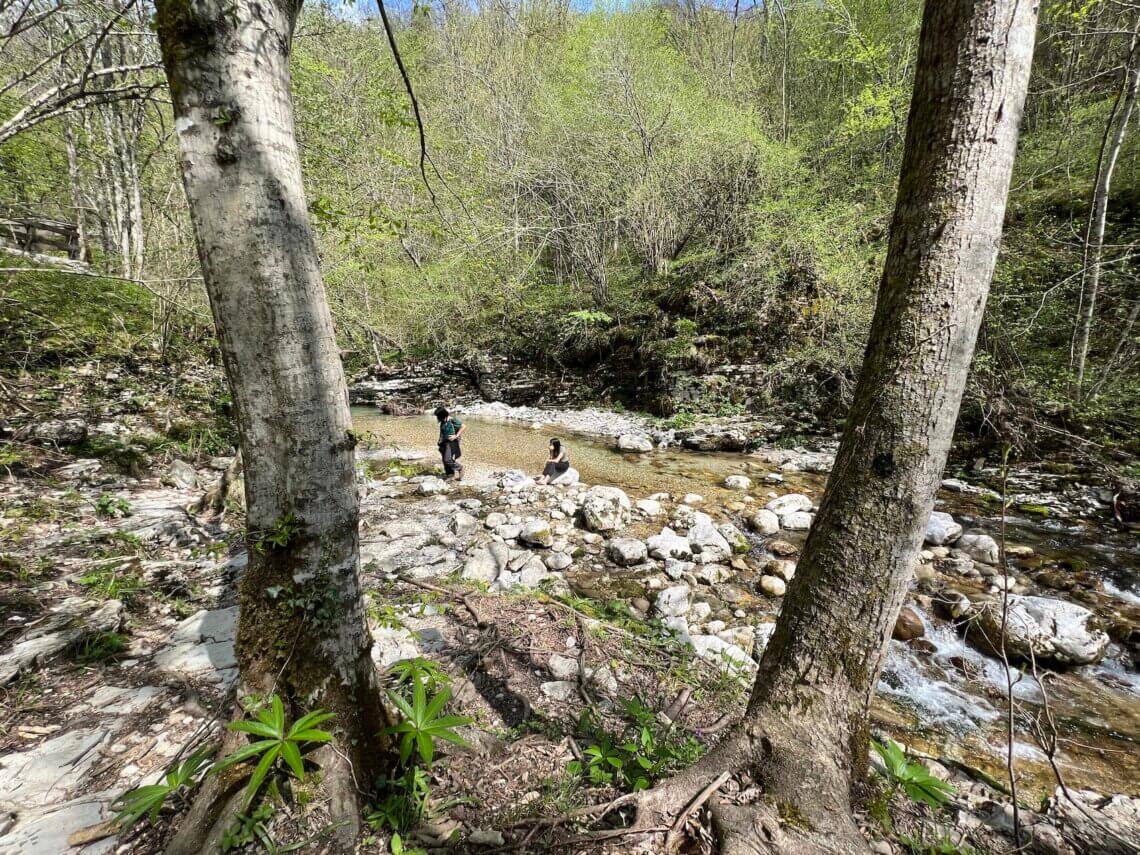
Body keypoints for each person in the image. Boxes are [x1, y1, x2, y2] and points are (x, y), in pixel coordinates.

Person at [434, 406, 465, 481]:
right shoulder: (443, 421)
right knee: (444, 460)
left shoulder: (452, 420)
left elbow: (463, 426)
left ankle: (460, 468)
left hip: (452, 442)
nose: (437, 418)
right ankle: (450, 475)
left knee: (448, 459)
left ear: (442, 415)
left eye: (438, 416)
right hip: (444, 442)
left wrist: (456, 436)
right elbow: (442, 432)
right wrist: (440, 442)